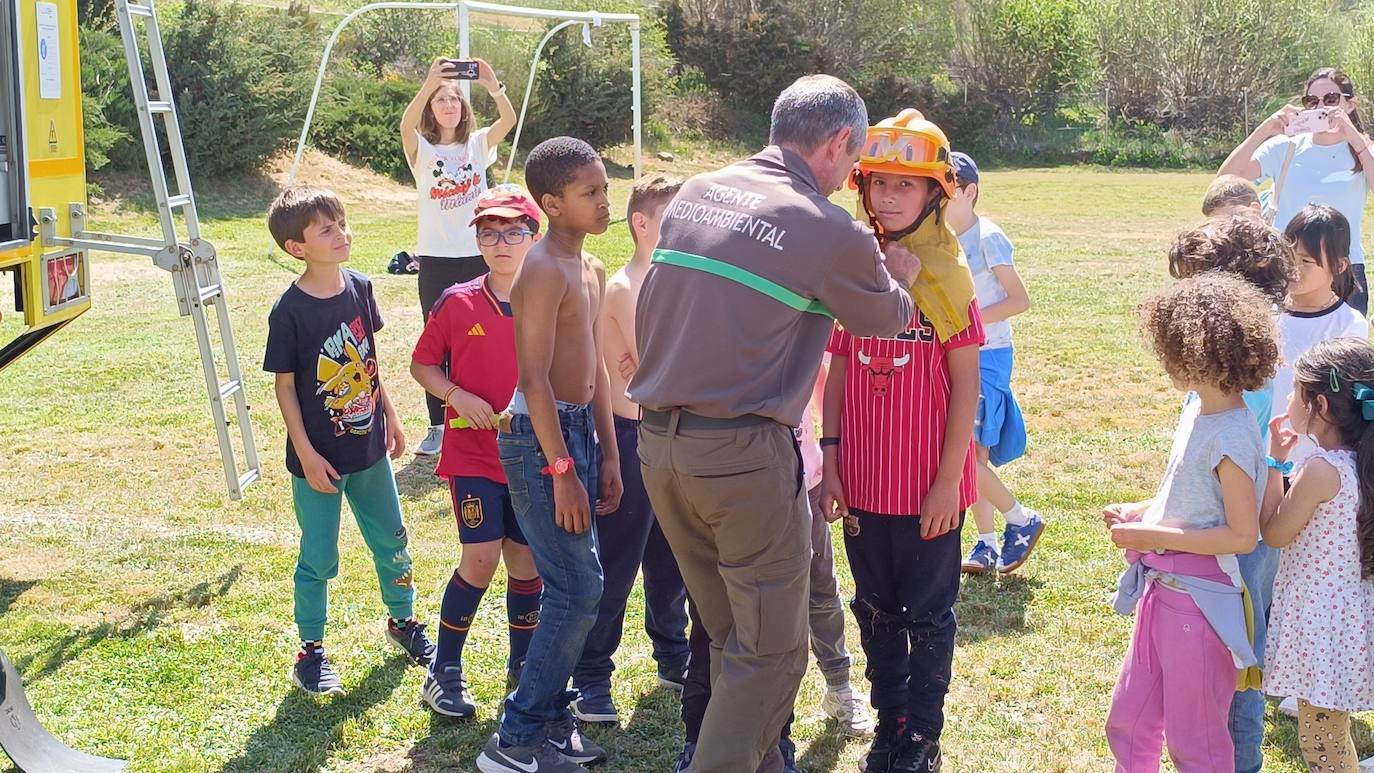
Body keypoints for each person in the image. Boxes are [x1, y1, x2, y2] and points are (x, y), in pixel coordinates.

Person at [628, 74, 921, 773]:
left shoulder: (698, 189)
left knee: (731, 634)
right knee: (773, 652)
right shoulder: (828, 227)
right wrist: (897, 274)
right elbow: (883, 319)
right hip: (742, 459)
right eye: (853, 164)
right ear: (839, 141)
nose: (852, 179)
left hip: (660, 448)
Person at [821, 109, 983, 773]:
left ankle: (923, 733)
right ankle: (891, 725)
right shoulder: (852, 272)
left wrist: (948, 481)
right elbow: (834, 370)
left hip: (927, 487)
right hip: (862, 480)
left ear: (935, 194)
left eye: (906, 185)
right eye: (879, 183)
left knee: (928, 615)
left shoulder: (950, 279)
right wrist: (830, 461)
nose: (889, 196)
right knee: (876, 608)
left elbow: (966, 387)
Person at [475, 137, 623, 773]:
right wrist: (562, 471)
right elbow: (533, 378)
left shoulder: (589, 268)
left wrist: (609, 455)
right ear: (552, 204)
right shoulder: (541, 270)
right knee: (576, 588)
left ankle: (555, 723)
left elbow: (595, 373)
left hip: (580, 435)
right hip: (539, 441)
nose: (604, 201)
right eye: (591, 193)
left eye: (604, 189)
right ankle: (515, 742)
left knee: (578, 580)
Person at [262, 185, 434, 696]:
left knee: (393, 541)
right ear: (298, 247)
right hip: (319, 461)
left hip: (369, 451)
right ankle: (310, 651)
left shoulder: (360, 286)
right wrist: (307, 454)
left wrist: (393, 418)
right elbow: (286, 387)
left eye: (342, 223)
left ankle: (402, 622)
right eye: (327, 229)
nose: (342, 234)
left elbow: (367, 361)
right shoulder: (289, 310)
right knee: (318, 556)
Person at [1103, 273, 1275, 772]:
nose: (1165, 362)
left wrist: (1147, 536)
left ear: (1199, 351)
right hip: (1164, 595)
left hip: (1200, 609)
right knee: (1128, 721)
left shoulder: (1233, 436)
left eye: (1170, 350)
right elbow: (1195, 498)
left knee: (1195, 743)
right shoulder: (1199, 410)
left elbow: (1242, 535)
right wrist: (1144, 510)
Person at [1161, 211, 1296, 773]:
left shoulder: (1248, 375)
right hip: (1213, 535)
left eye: (1195, 283)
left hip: (1234, 540)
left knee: (1240, 659)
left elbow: (1253, 470)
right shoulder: (1222, 364)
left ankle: (1238, 762)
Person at [409, 185, 544, 719]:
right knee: (481, 557)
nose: (502, 243)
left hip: (532, 456)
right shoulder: (458, 300)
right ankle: (444, 671)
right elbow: (423, 365)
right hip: (474, 457)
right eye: (489, 233)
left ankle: (524, 668)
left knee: (525, 561)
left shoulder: (551, 298)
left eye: (514, 232)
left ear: (534, 236)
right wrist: (454, 394)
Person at [570, 173, 690, 724]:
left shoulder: (683, 281)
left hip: (677, 434)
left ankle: (673, 652)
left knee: (676, 557)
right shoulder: (625, 287)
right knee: (618, 564)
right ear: (642, 224)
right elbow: (662, 369)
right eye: (675, 214)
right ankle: (593, 674)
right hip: (632, 440)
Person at [1261, 337, 1374, 773]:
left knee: (1320, 740)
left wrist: (1276, 465)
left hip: (1321, 623)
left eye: (1294, 390)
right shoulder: (1361, 466)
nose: (1288, 398)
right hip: (1350, 617)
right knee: (1332, 729)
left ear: (1320, 406)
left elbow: (1274, 533)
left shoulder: (1321, 471)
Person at [400, 56, 517, 455]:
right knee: (437, 342)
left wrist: (492, 83)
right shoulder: (424, 149)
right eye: (441, 100)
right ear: (431, 110)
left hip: (474, 254)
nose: (449, 104)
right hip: (435, 257)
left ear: (463, 108)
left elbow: (508, 120)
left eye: (454, 99)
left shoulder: (477, 144)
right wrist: (429, 82)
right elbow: (404, 125)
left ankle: (489, 410)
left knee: (479, 337)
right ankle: (437, 425)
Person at [945, 151, 1046, 575]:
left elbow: (1019, 300)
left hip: (988, 356)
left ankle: (1020, 519)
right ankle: (986, 544)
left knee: (965, 454)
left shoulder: (987, 237)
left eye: (949, 187)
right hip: (961, 352)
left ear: (970, 192)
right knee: (973, 456)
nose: (941, 195)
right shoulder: (942, 238)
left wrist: (965, 323)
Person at [1218, 67, 1374, 316]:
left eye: (1331, 99)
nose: (1321, 107)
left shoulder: (1364, 151)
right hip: (1286, 264)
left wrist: (1354, 137)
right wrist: (1265, 129)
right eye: (1312, 101)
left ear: (1350, 104)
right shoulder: (1286, 147)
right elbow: (1226, 180)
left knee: (1343, 352)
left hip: (1343, 266)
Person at [1273, 205, 1369, 416]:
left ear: (1339, 265)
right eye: (1288, 256)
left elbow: (1344, 400)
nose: (1292, 268)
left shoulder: (1348, 325)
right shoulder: (1267, 312)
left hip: (1314, 443)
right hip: (1261, 440)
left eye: (1306, 261)